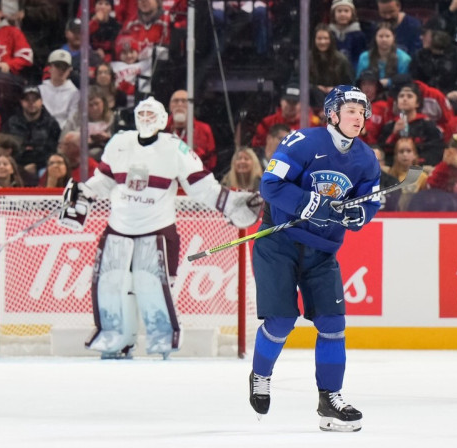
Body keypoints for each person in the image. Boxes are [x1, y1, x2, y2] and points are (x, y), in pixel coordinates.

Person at [59, 96, 261, 359]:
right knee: (109, 283)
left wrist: (230, 202)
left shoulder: (175, 148)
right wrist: (85, 191)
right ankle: (116, 338)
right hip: (117, 228)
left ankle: (161, 339)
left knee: (150, 286)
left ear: (163, 120)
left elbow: (201, 186)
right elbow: (105, 180)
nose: (145, 120)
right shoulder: (119, 143)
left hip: (156, 230)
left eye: (151, 115)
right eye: (141, 114)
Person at [249, 85, 379, 432]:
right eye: (350, 110)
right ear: (332, 114)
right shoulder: (302, 142)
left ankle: (330, 399)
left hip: (322, 251)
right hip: (279, 242)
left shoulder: (366, 158)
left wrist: (360, 214)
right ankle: (261, 375)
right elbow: (270, 186)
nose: (358, 117)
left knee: (333, 324)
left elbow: (370, 200)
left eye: (361, 111)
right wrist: (310, 203)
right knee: (280, 322)